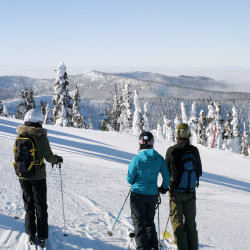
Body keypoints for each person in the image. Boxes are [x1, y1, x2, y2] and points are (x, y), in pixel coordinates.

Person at [13, 109, 63, 247]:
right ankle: (42, 236)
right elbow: (49, 157)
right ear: (39, 121)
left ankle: (30, 234)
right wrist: (58, 159)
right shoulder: (41, 137)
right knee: (40, 206)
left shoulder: (20, 135)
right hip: (38, 177)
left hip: (23, 175)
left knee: (29, 205)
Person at [127, 131, 170, 250]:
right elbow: (167, 176)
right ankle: (153, 246)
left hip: (137, 194)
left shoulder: (136, 159)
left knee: (139, 222)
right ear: (152, 143)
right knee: (149, 221)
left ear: (140, 143)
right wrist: (163, 188)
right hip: (152, 194)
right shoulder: (159, 158)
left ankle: (142, 247)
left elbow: (129, 179)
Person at [164, 123, 202, 250]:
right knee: (191, 223)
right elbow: (199, 172)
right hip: (190, 192)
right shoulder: (194, 150)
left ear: (177, 134)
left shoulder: (171, 150)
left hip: (175, 192)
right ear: (188, 133)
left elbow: (165, 171)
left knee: (177, 224)